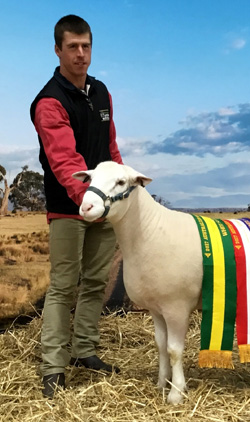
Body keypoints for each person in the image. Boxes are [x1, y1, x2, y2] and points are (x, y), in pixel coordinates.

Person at [30, 14, 123, 399]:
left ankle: (85, 351)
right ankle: (53, 367)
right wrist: (90, 200)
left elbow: (111, 149)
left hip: (103, 207)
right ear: (58, 50)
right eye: (72, 47)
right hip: (70, 209)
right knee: (64, 286)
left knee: (96, 282)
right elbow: (64, 161)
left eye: (86, 46)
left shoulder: (102, 92)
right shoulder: (50, 101)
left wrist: (119, 192)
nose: (80, 54)